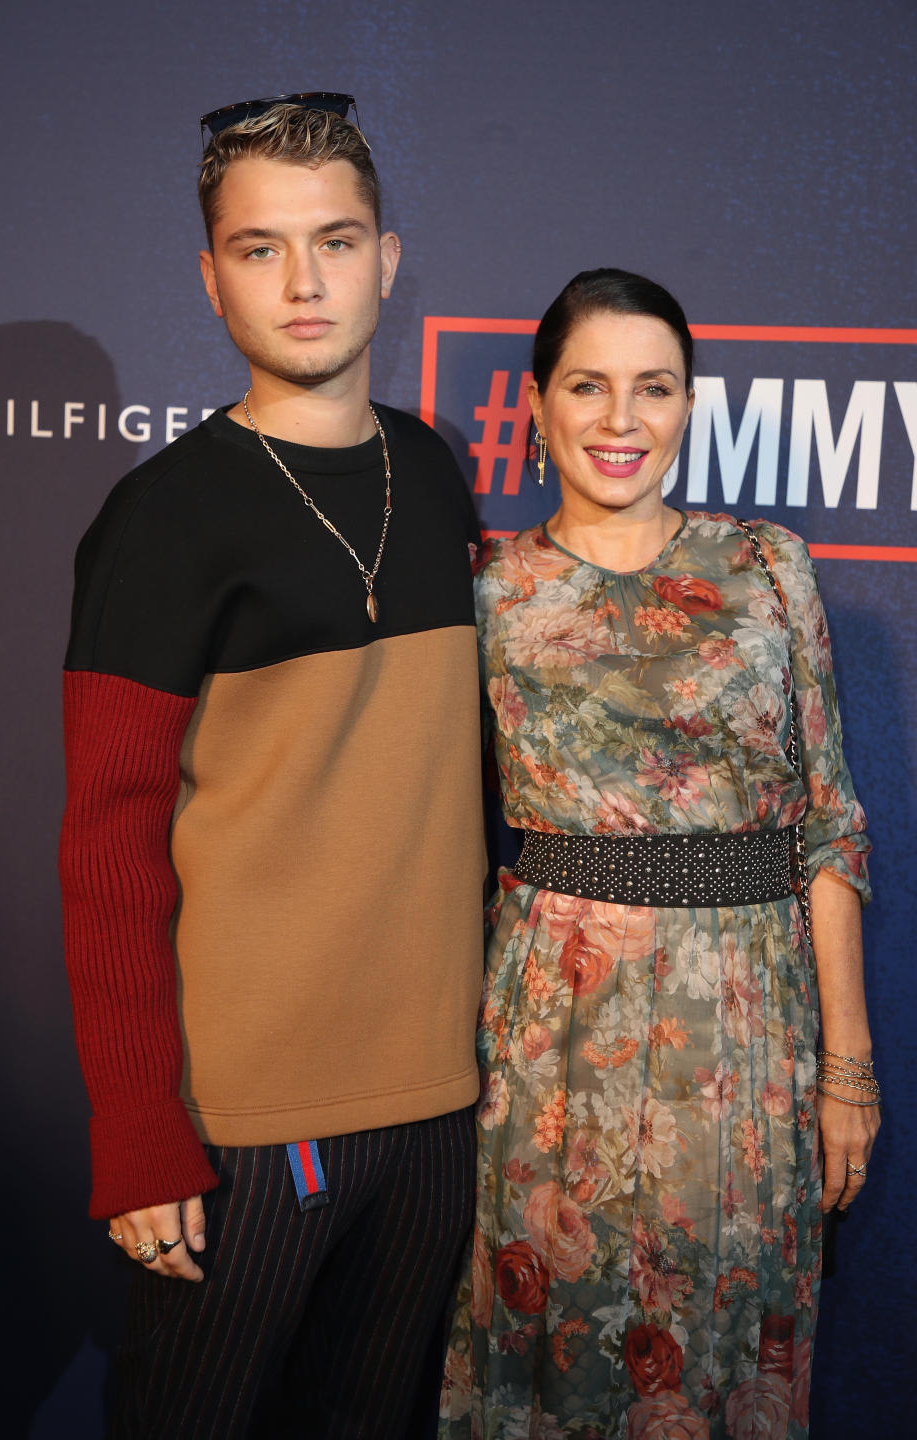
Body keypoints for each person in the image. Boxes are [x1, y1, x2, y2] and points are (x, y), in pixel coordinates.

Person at [59, 94, 485, 1439]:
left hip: (440, 1105)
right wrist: (137, 1127)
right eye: (260, 248)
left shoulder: (435, 469)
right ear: (210, 275)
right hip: (245, 1119)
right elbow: (106, 842)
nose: (305, 283)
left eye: (336, 240)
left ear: (389, 261)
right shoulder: (160, 516)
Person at [439, 269, 879, 1439]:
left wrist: (849, 1066)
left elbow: (827, 822)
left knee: (729, 1350)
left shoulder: (770, 569)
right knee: (556, 1350)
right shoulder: (487, 593)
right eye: (588, 386)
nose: (620, 420)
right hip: (551, 1037)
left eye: (654, 388)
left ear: (690, 404)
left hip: (747, 1032)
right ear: (535, 406)